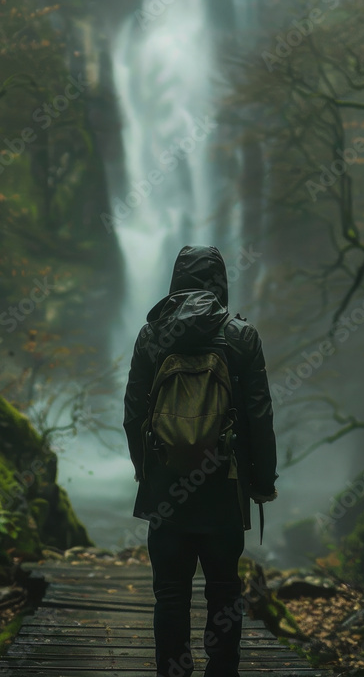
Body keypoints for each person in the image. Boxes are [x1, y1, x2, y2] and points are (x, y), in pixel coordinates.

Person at [123, 244, 278, 677]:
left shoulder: (152, 336)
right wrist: (262, 481)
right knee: (225, 590)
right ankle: (222, 671)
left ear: (175, 281)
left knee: (170, 593)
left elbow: (134, 412)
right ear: (221, 283)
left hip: (166, 485)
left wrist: (146, 470)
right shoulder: (241, 337)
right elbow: (260, 416)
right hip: (224, 485)